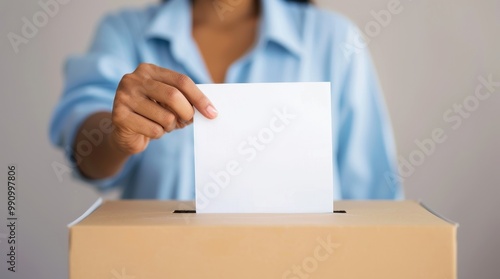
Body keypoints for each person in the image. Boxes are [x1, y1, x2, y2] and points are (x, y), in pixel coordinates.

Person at [49, 0, 402, 200]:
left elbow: (374, 194)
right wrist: (116, 135)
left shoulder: (334, 39)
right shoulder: (126, 32)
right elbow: (85, 152)